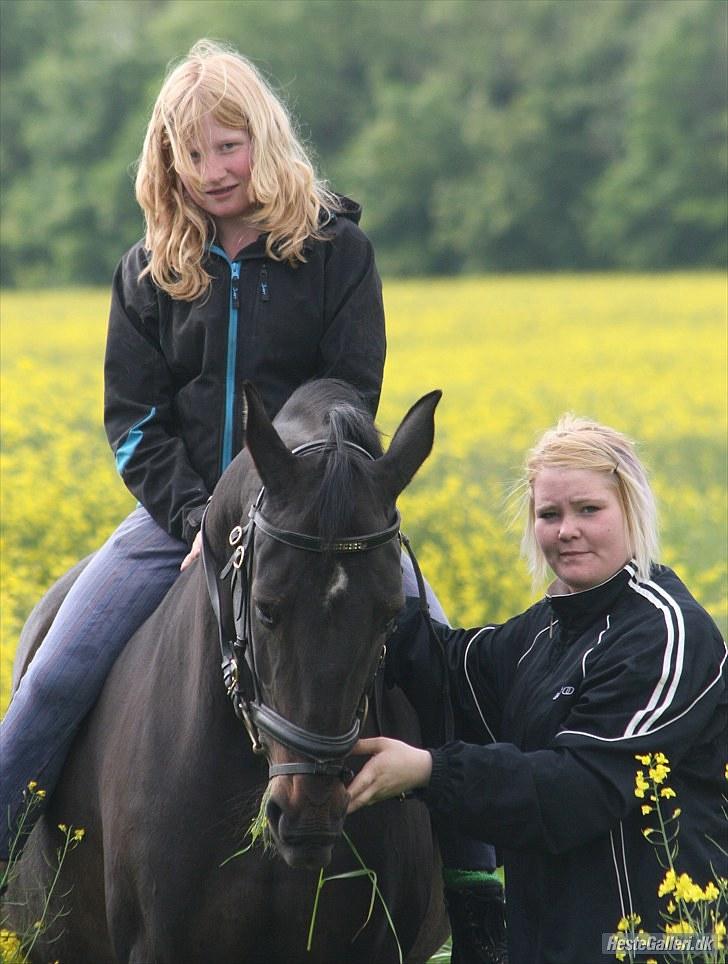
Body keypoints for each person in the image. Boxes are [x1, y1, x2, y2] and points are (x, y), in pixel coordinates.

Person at [0, 39, 504, 963]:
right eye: (189, 155)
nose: (210, 172)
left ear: (263, 142)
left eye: (227, 148)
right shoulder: (149, 269)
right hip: (176, 522)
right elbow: (130, 420)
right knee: (54, 678)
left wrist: (288, 496)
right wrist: (200, 519)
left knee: (438, 664)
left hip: (318, 516)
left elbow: (352, 389)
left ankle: (478, 892)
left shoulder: (336, 250)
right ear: (166, 162)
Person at [347, 414, 728, 963]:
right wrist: (355, 563)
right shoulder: (545, 630)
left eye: (588, 510)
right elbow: (448, 670)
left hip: (647, 944)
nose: (565, 529)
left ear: (631, 508)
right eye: (549, 514)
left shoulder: (666, 633)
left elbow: (578, 789)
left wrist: (429, 770)